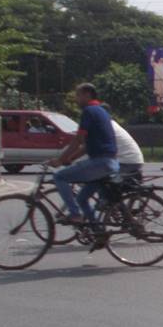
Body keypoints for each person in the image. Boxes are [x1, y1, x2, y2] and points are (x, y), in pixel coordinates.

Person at [50, 83, 119, 226]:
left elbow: (78, 140)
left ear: (87, 95)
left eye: (78, 95)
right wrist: (70, 159)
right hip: (110, 163)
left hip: (100, 163)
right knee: (82, 198)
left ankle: (75, 215)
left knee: (59, 176)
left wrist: (60, 160)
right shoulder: (101, 111)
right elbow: (87, 146)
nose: (76, 99)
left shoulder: (89, 111)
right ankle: (97, 231)